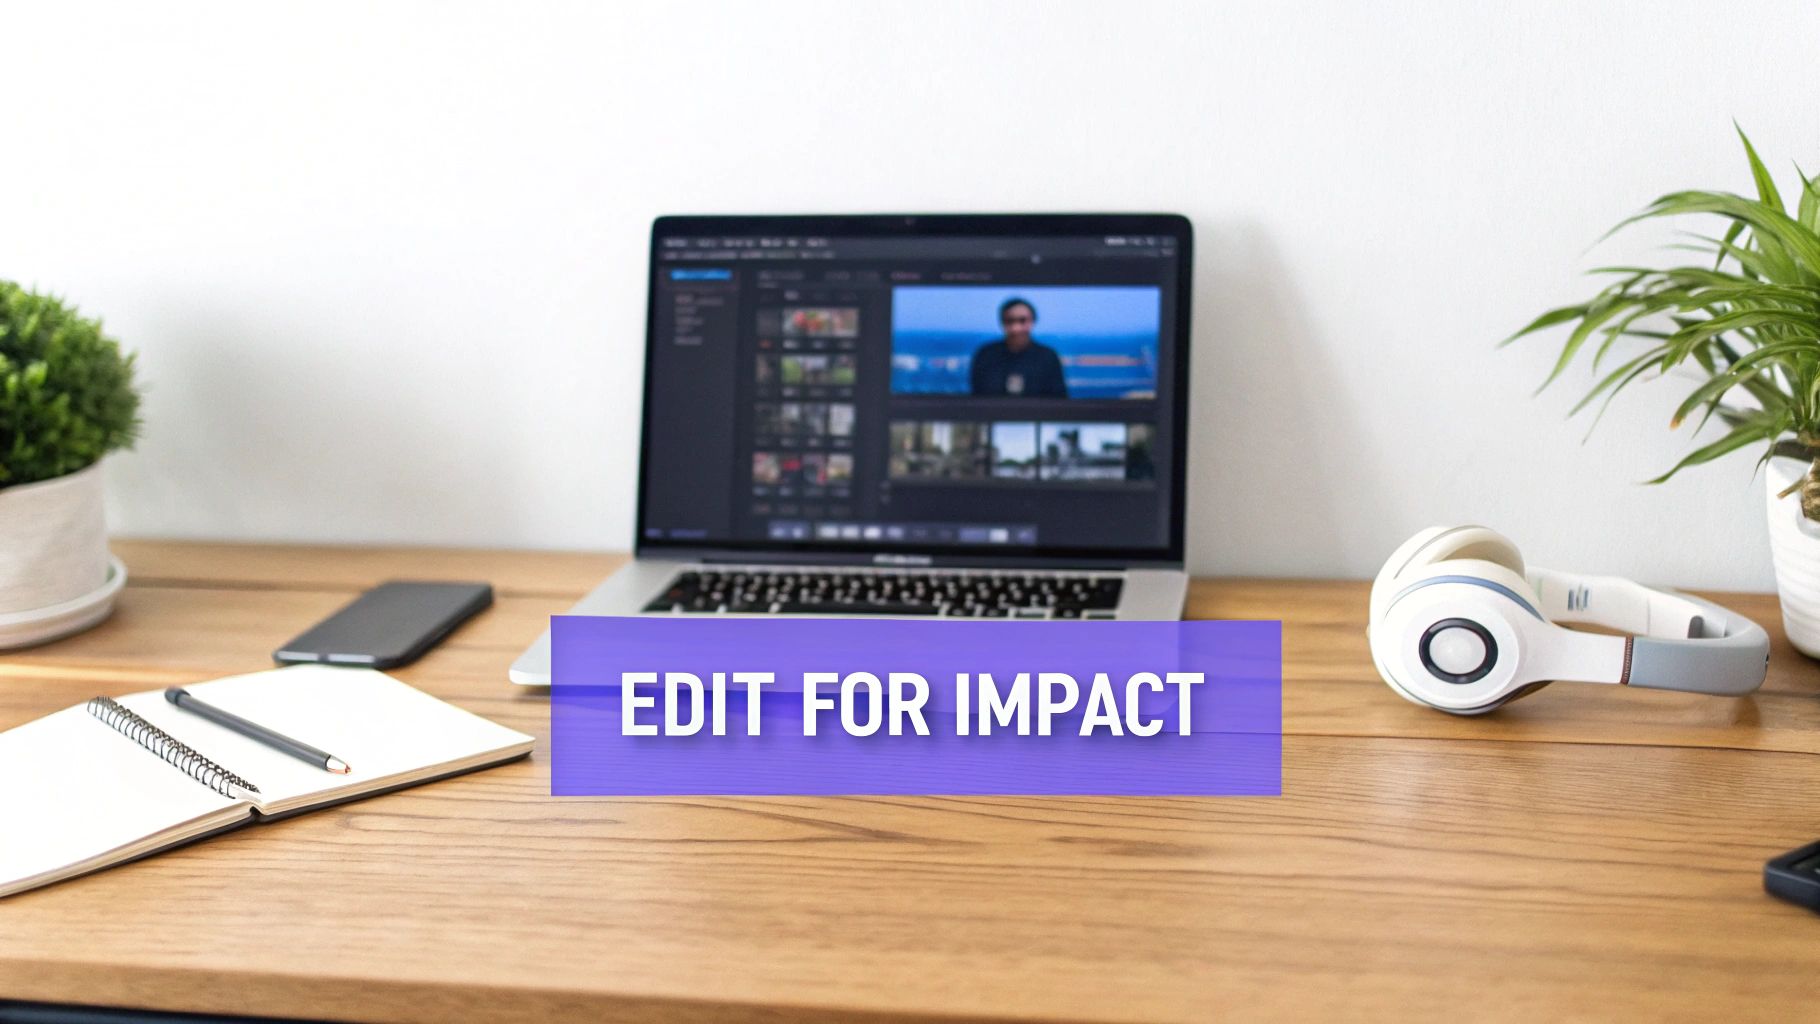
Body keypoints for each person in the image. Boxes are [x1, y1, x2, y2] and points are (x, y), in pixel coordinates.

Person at [969, 298, 1067, 397]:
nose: (1015, 328)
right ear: (1002, 323)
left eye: (1022, 320)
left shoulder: (1048, 357)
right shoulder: (986, 355)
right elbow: (977, 399)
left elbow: (1059, 401)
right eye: (1009, 321)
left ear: (1033, 321)